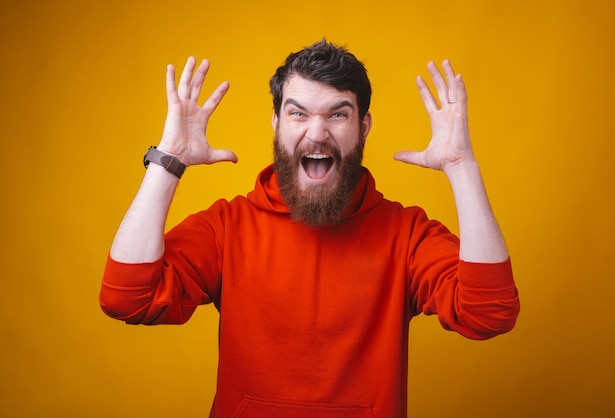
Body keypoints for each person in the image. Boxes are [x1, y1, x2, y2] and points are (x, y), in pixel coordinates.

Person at [100, 40, 520, 418]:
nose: (316, 133)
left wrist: (462, 168)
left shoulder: (405, 233)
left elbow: (489, 313)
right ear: (276, 124)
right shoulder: (229, 226)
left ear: (364, 127)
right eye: (298, 113)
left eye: (338, 114)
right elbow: (127, 298)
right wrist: (168, 159)